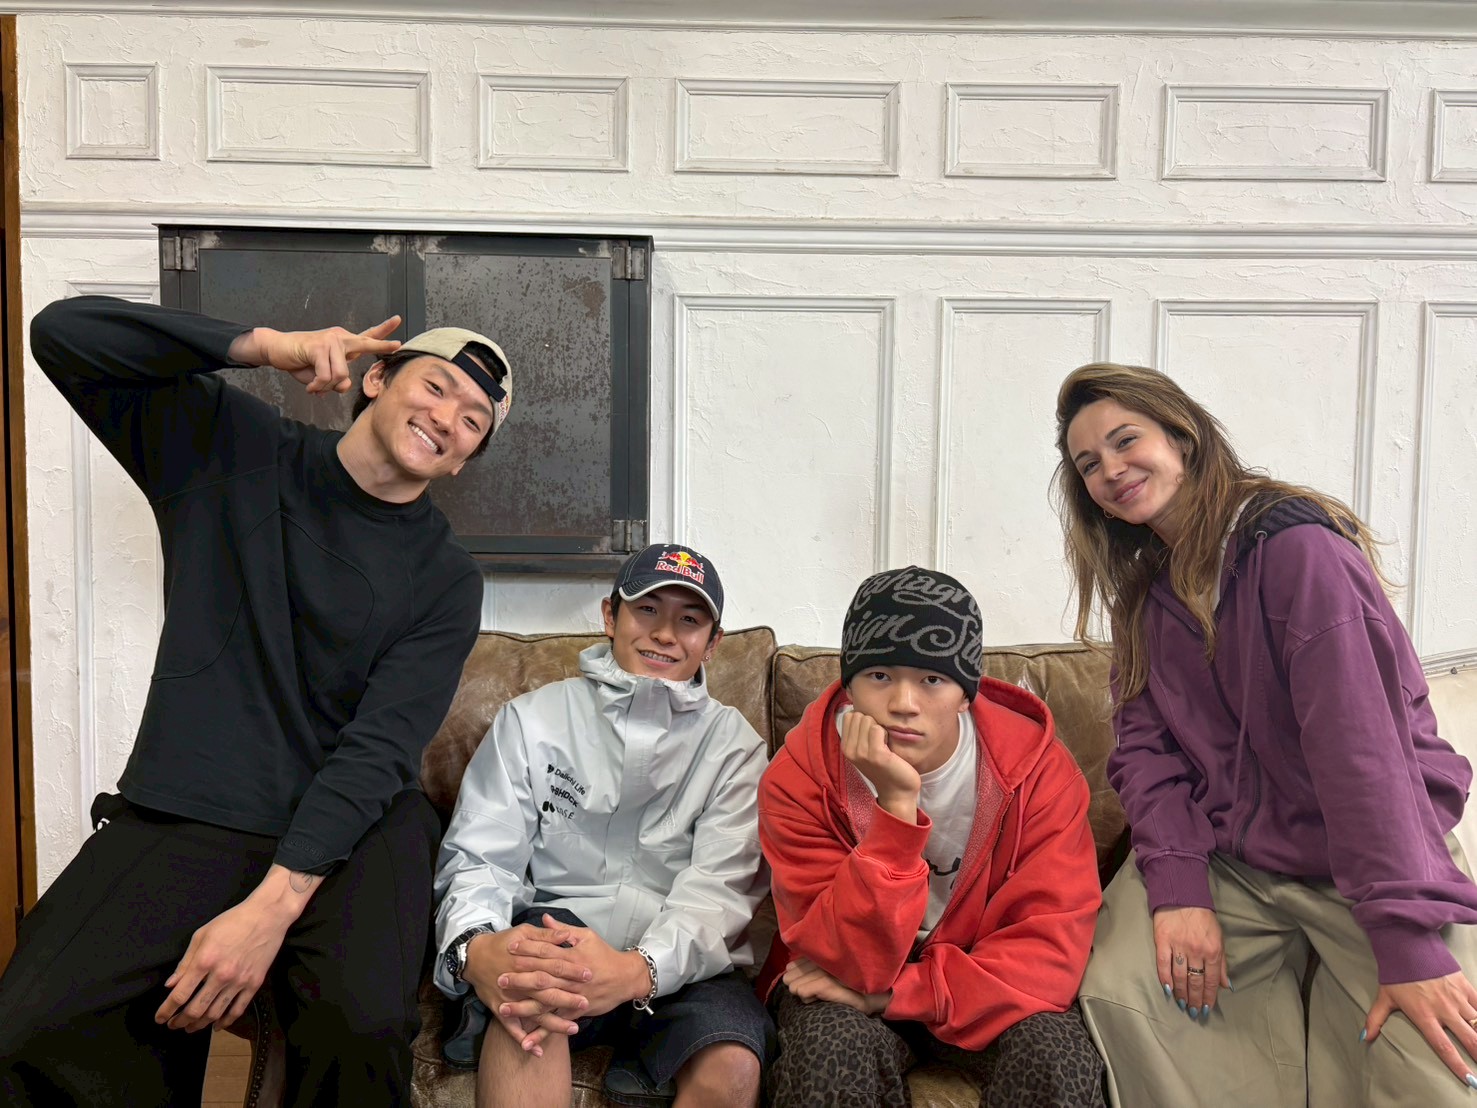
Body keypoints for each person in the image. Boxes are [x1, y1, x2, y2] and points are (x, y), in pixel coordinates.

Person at [0, 295, 513, 1106]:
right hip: (200, 800)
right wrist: (266, 346)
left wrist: (270, 910)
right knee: (29, 1025)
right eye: (437, 386)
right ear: (376, 378)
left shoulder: (447, 579)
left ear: (460, 462)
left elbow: (378, 750)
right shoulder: (231, 449)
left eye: (474, 421)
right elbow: (63, 336)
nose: (449, 418)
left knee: (359, 1025)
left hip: (356, 827)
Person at [1057, 362, 1477, 1107]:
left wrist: (1406, 942)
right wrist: (1178, 890)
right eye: (1088, 464)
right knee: (1127, 988)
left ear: (1183, 437)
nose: (1110, 471)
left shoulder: (1299, 552)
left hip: (1368, 852)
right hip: (1238, 861)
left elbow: (1363, 756)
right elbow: (1145, 755)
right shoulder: (1145, 597)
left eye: (1125, 441)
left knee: (1438, 1060)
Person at [433, 543, 774, 1108]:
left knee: (733, 1064)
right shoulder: (532, 720)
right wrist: (474, 947)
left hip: (683, 965)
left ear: (712, 643)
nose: (664, 634)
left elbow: (720, 893)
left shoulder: (736, 748)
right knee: (533, 1002)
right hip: (557, 933)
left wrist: (639, 970)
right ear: (610, 616)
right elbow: (480, 855)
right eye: (647, 610)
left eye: (689, 620)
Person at [757, 564, 1106, 1108]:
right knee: (828, 1052)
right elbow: (843, 958)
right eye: (879, 675)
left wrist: (899, 994)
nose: (903, 702)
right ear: (848, 686)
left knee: (1056, 1058)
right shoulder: (801, 774)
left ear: (966, 694)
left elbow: (1048, 953)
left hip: (980, 986)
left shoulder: (1038, 773)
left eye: (932, 680)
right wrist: (897, 808)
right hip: (838, 983)